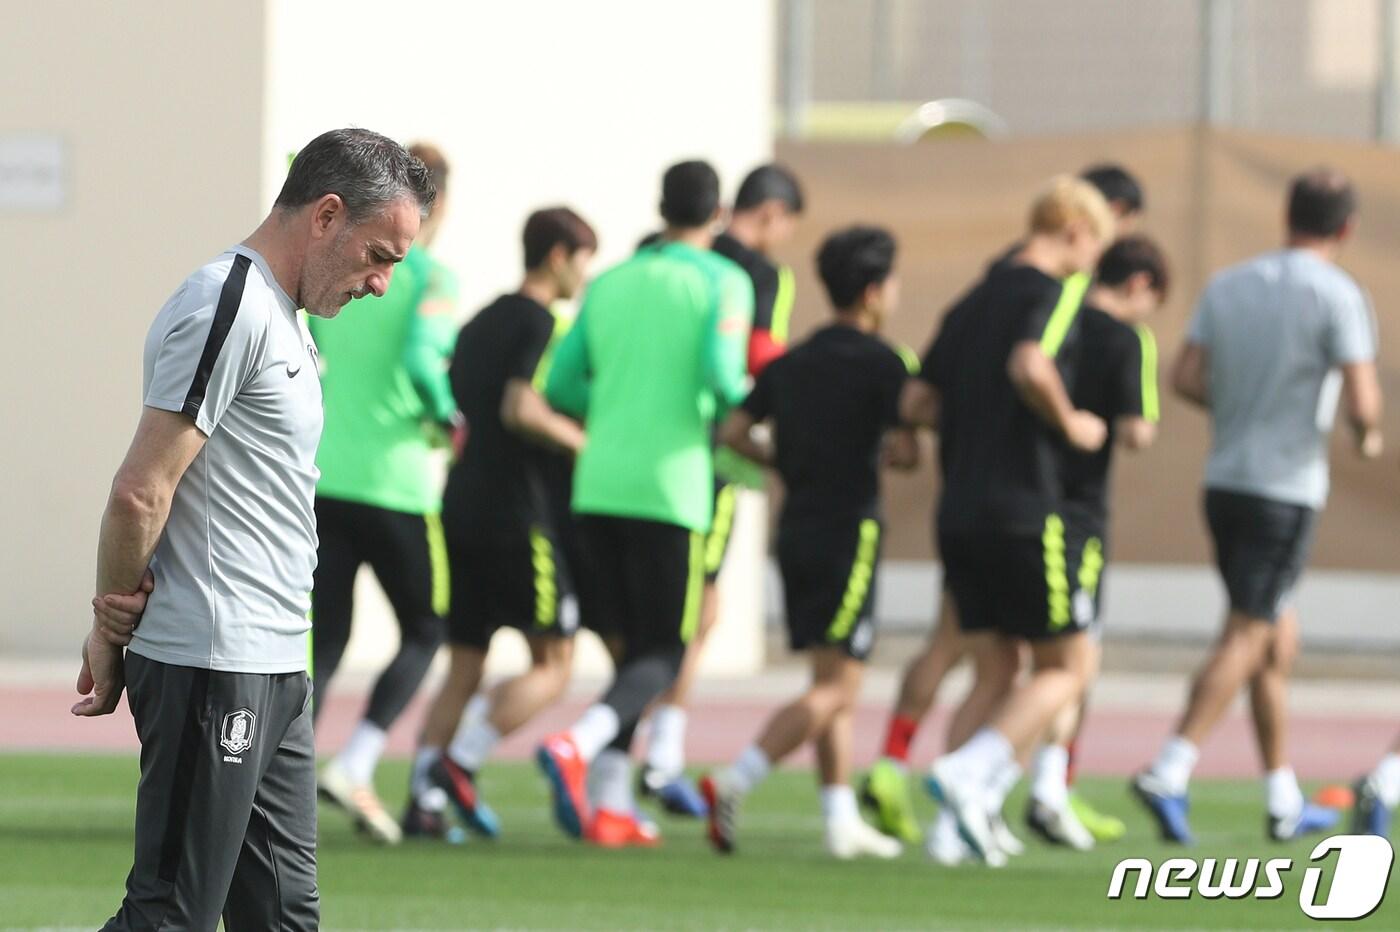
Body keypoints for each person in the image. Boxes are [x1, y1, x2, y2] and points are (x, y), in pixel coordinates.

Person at [74, 128, 433, 929]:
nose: (381, 283)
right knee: (171, 916)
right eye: (380, 255)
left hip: (275, 662)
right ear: (326, 215)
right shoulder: (227, 306)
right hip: (213, 657)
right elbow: (141, 490)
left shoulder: (288, 317)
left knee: (281, 919)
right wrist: (110, 622)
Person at [862, 164, 1144, 848]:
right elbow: (1028, 365)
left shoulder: (971, 301)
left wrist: (944, 431)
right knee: (1069, 666)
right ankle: (972, 773)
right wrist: (1072, 421)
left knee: (995, 667)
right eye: (1093, 248)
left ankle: (949, 835)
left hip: (958, 510)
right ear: (1075, 233)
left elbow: (917, 400)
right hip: (1025, 507)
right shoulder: (1054, 296)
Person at [1134, 168, 1382, 844]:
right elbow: (1363, 402)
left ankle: (1280, 797)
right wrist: (1368, 433)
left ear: (1288, 215)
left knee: (1275, 640)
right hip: (1285, 488)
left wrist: (1240, 408)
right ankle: (1171, 766)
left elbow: (1185, 375)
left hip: (1226, 482)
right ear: (1346, 228)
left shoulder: (1231, 283)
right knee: (1247, 633)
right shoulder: (1338, 295)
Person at [537, 160, 753, 847]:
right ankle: (577, 742)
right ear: (718, 216)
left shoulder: (610, 282)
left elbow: (564, 384)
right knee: (666, 648)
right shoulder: (725, 281)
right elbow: (723, 379)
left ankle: (609, 800)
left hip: (598, 484)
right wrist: (753, 402)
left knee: (631, 651)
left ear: (661, 211)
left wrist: (618, 407)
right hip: (671, 488)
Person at [700, 226, 914, 860]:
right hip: (851, 528)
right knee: (840, 688)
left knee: (829, 676)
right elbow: (905, 449)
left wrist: (784, 461)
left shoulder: (791, 362)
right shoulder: (885, 363)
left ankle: (838, 817)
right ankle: (735, 779)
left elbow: (735, 430)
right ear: (875, 292)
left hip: (795, 530)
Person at [404, 207, 597, 841]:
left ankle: (422, 799)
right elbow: (521, 407)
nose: (585, 275)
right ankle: (461, 763)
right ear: (558, 257)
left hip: (460, 504)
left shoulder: (482, 319)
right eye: (584, 259)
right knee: (555, 659)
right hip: (518, 513)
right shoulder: (541, 321)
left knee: (465, 662)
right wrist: (582, 441)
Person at [639, 163, 805, 815]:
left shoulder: (650, 255)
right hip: (706, 457)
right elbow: (759, 360)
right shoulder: (757, 276)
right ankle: (657, 756)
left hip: (635, 451)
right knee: (696, 610)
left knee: (668, 608)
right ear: (771, 215)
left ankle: (647, 749)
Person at [308, 143, 459, 845]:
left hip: (328, 475)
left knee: (326, 639)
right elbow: (426, 360)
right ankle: (358, 759)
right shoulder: (426, 274)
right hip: (398, 485)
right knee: (427, 628)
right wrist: (448, 415)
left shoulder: (333, 267)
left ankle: (276, 770)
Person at [1019, 235, 1167, 852]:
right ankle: (1019, 780)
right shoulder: (1126, 339)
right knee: (1074, 662)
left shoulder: (1056, 316)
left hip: (1019, 497)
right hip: (1074, 516)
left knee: (1017, 658)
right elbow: (1137, 432)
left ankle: (1042, 785)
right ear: (1138, 285)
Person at [1353, 734, 1400, 838]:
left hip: (1383, 799)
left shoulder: (1391, 760)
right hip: (1379, 797)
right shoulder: (1392, 760)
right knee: (1377, 834)